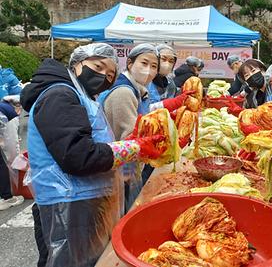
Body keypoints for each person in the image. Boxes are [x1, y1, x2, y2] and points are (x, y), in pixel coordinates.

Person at [20, 43, 166, 267]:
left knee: (92, 261)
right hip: (68, 205)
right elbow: (78, 156)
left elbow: (98, 145)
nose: (103, 77)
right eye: (98, 66)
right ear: (78, 63)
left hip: (86, 200)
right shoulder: (59, 94)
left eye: (109, 74)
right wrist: (136, 148)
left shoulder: (84, 97)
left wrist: (132, 142)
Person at [98, 43, 193, 210]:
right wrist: (168, 144)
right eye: (144, 63)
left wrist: (168, 120)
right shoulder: (124, 92)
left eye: (154, 66)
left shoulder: (138, 90)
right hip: (122, 173)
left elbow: (144, 116)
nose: (148, 70)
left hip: (128, 169)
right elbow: (129, 138)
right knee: (126, 212)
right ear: (129, 63)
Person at [0, 100, 24, 211]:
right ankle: (7, 198)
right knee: (1, 164)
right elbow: (12, 143)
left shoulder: (3, 106)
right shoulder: (11, 114)